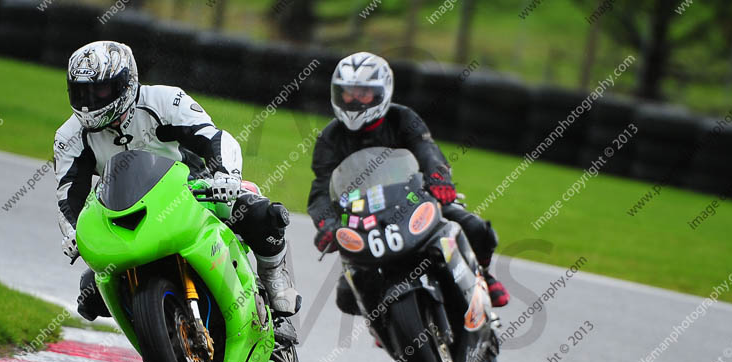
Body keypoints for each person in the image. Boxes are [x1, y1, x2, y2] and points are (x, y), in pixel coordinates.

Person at [55, 41, 300, 319]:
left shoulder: (164, 100)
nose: (90, 102)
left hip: (193, 192)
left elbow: (213, 138)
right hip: (124, 215)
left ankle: (273, 276)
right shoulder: (69, 137)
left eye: (99, 90)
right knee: (91, 293)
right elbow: (68, 195)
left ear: (126, 83)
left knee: (262, 214)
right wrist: (75, 233)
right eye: (81, 92)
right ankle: (162, 329)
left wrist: (226, 176)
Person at [308, 52, 509, 316]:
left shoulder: (403, 118)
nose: (355, 100)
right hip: (364, 218)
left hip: (416, 201)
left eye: (364, 94)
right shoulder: (330, 138)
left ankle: (483, 274)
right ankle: (385, 325)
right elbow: (322, 188)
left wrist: (439, 179)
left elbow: (427, 150)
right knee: (348, 296)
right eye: (348, 93)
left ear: (382, 92)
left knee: (476, 228)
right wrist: (327, 224)